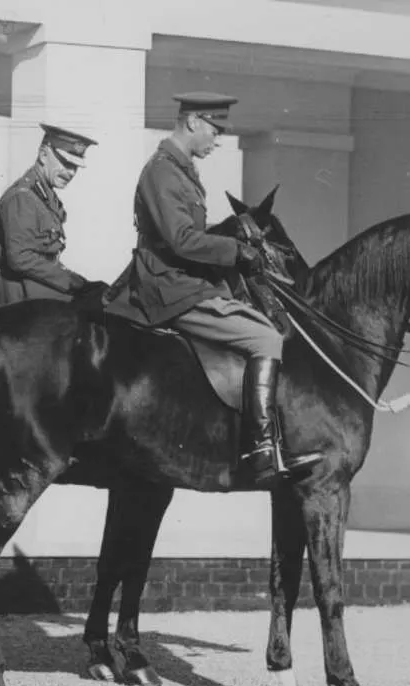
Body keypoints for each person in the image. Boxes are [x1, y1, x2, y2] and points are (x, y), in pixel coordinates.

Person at [117, 92, 322, 486]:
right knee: (265, 338)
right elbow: (180, 240)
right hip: (169, 286)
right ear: (192, 122)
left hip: (183, 281)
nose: (217, 139)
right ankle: (261, 451)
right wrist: (236, 250)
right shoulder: (162, 172)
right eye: (215, 129)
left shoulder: (180, 169)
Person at [0, 123, 110, 312]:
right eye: (66, 163)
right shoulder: (23, 197)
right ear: (43, 155)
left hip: (36, 289)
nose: (71, 172)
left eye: (75, 166)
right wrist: (73, 281)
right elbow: (21, 258)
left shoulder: (44, 195)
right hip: (20, 299)